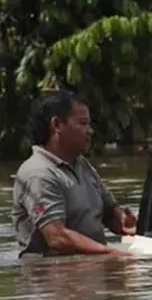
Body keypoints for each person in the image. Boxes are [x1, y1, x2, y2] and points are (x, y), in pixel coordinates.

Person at [12, 90, 137, 258]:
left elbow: (109, 213)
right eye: (83, 124)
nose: (90, 131)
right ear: (56, 125)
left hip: (93, 266)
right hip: (53, 276)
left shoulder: (81, 164)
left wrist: (123, 221)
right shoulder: (38, 173)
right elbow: (57, 238)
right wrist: (112, 253)